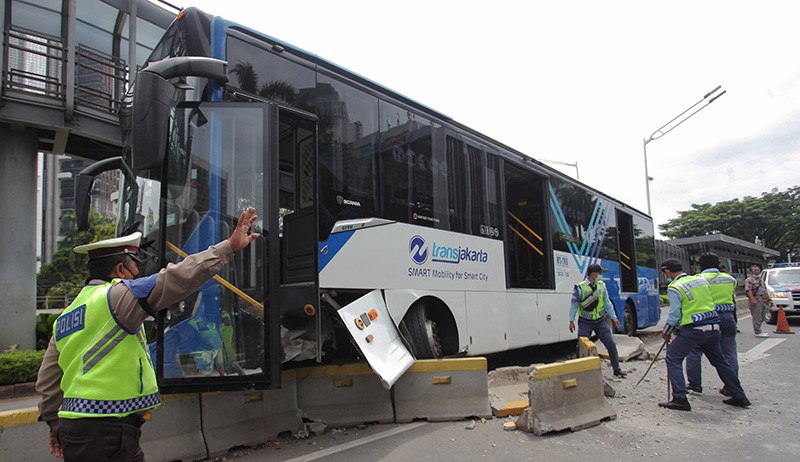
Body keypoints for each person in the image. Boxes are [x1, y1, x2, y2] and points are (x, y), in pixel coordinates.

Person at [35, 208, 260, 461]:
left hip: (78, 430)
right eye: (136, 267)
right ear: (121, 269)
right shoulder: (118, 297)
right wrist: (228, 246)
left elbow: (47, 382)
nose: (138, 274)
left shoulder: (67, 316)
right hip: (108, 430)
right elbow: (177, 278)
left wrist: (55, 425)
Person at [658, 258, 750, 411]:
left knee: (673, 358)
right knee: (720, 361)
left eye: (665, 272)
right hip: (714, 326)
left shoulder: (675, 287)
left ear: (667, 271)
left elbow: (674, 315)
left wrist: (666, 332)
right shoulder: (700, 281)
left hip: (694, 329)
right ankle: (739, 396)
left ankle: (680, 398)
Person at [684, 253, 739, 396]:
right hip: (728, 318)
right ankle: (731, 386)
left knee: (694, 350)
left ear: (700, 266)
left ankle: (695, 384)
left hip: (707, 318)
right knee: (729, 352)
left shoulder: (697, 280)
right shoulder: (730, 279)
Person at [568, 263, 626, 378]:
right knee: (581, 345)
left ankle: (617, 369)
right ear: (594, 274)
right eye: (599, 273)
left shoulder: (601, 286)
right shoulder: (580, 287)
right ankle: (580, 370)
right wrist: (571, 320)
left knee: (610, 343)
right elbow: (574, 305)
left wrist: (614, 318)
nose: (601, 275)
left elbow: (607, 303)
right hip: (585, 321)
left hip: (600, 321)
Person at [745, 264, 772, 338]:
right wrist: (752, 300)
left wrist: (769, 299)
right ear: (751, 272)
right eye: (755, 270)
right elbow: (748, 290)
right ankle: (757, 331)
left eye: (758, 270)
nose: (757, 271)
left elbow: (764, 290)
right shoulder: (749, 280)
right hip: (756, 300)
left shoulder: (761, 280)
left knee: (763, 316)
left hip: (763, 300)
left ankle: (759, 329)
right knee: (757, 316)